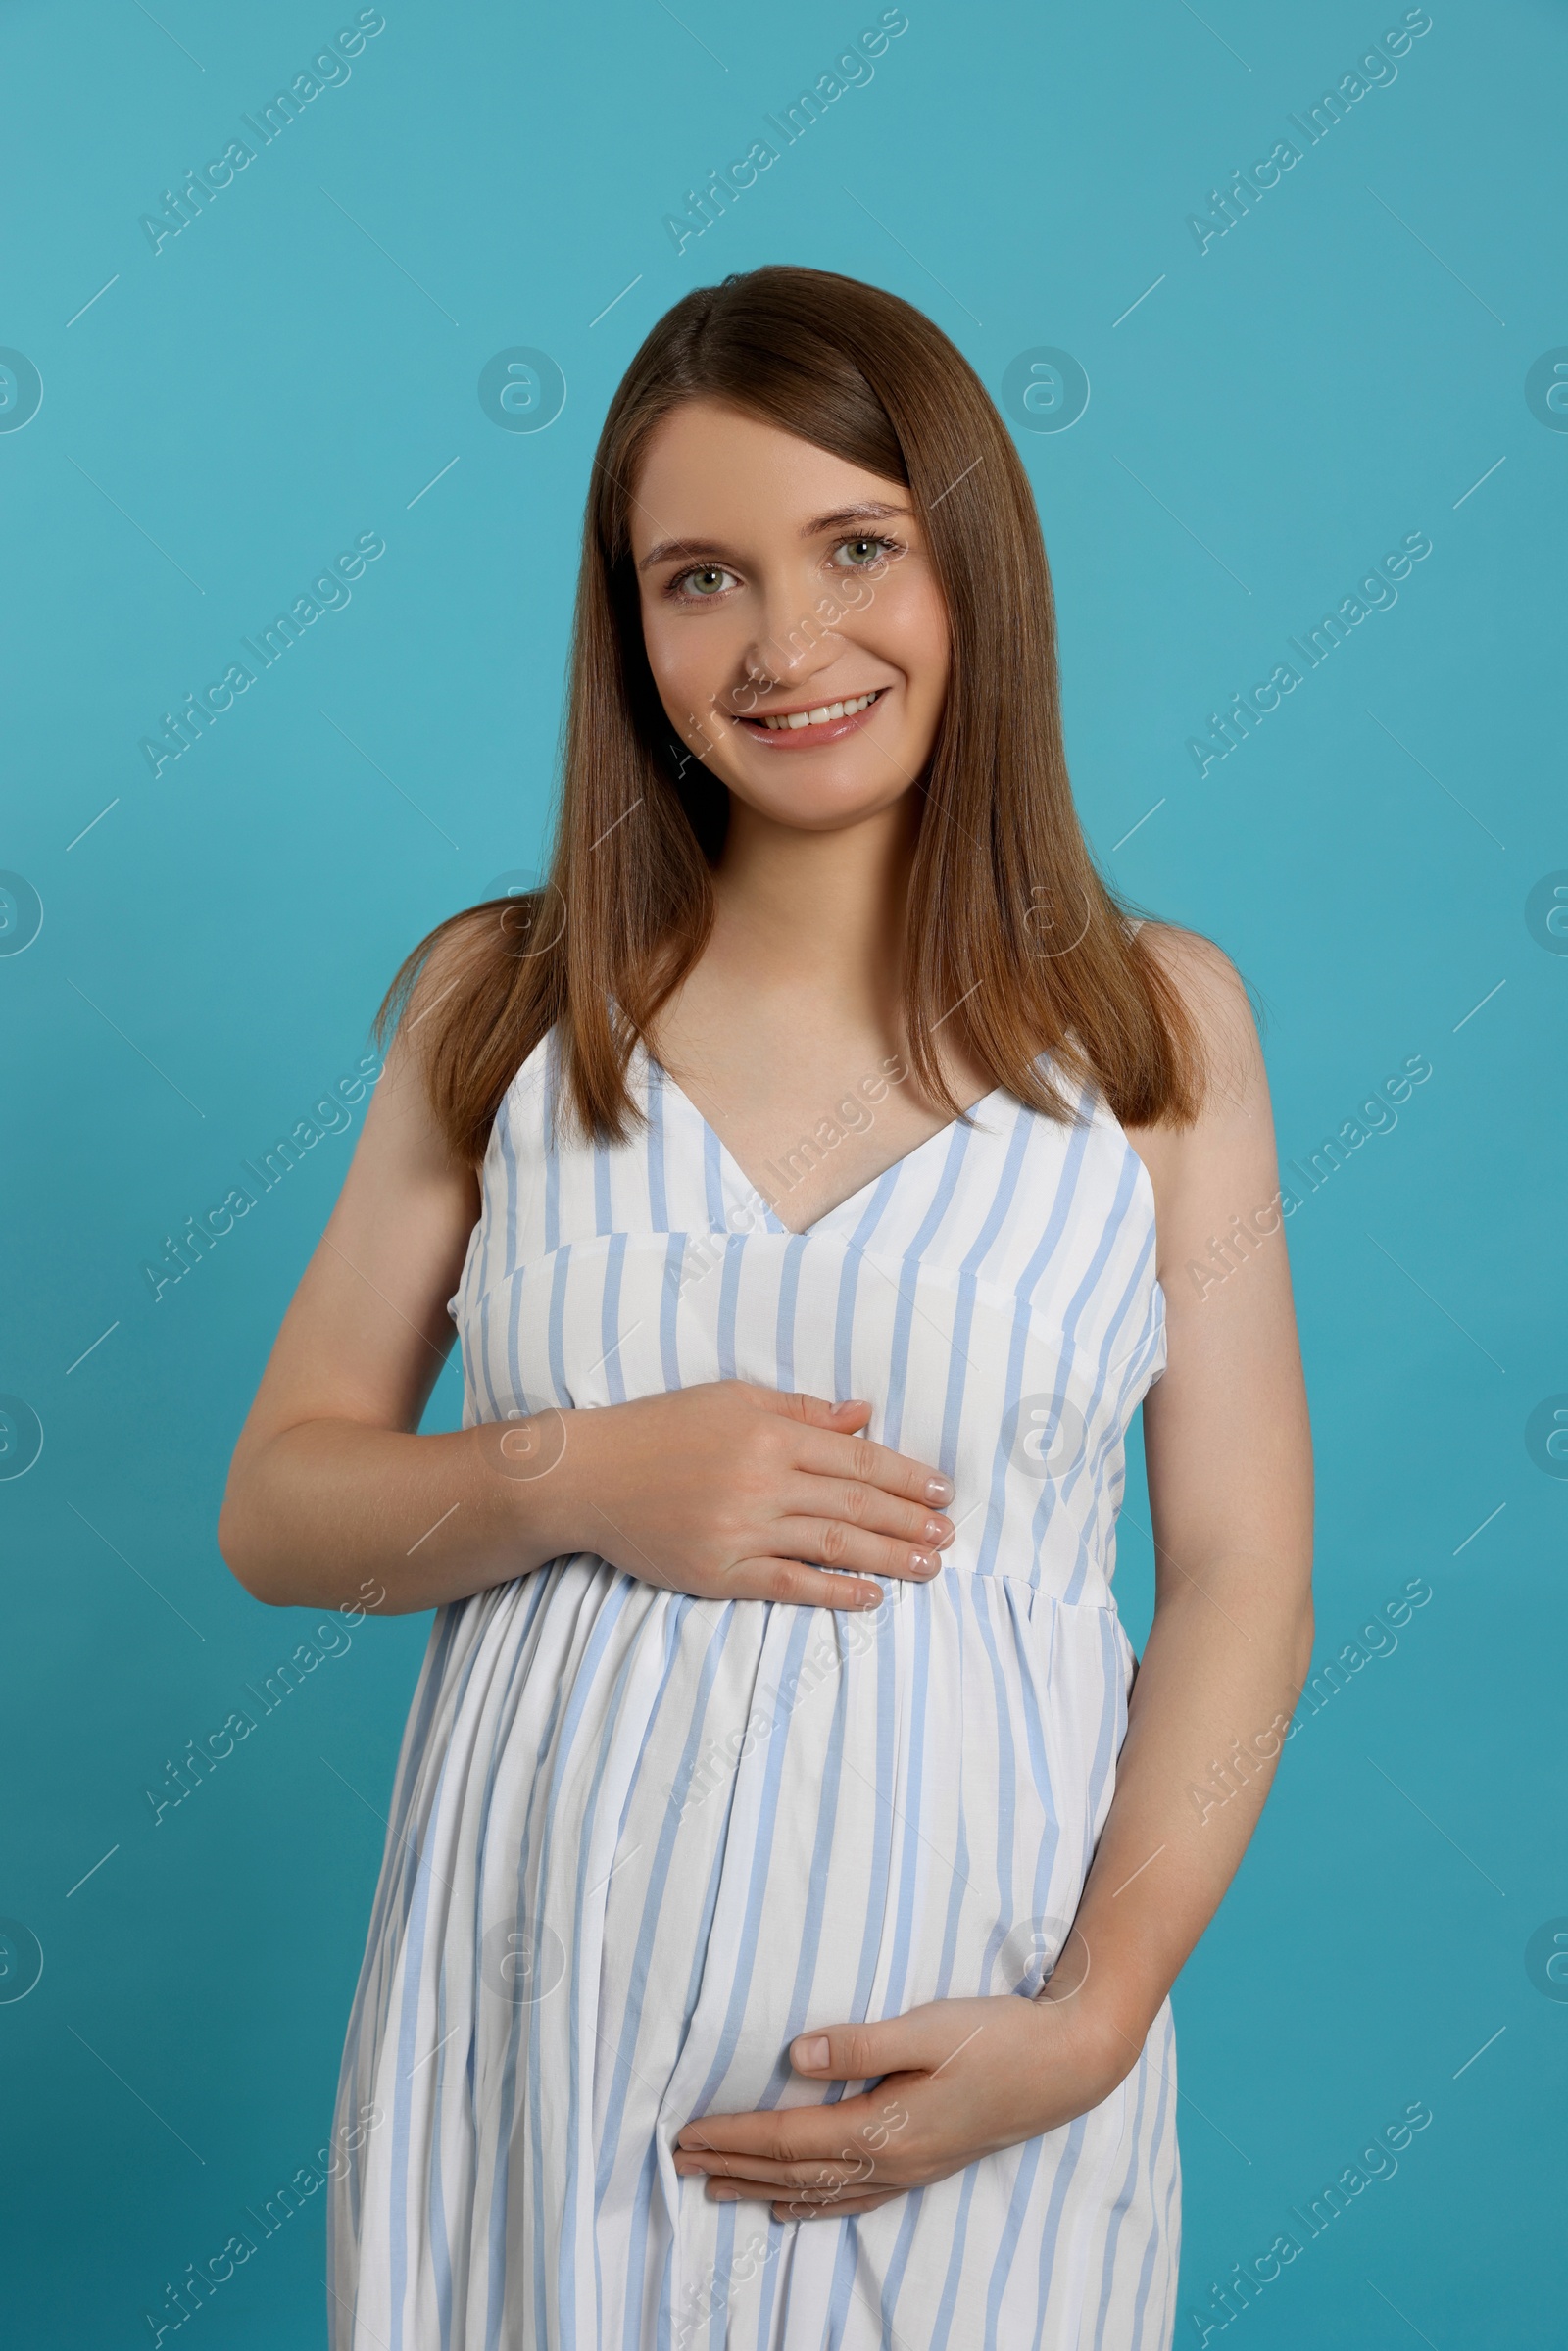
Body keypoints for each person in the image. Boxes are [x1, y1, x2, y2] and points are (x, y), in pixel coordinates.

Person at [220, 264, 1313, 2350]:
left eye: (857, 549)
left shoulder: (1153, 1029)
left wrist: (1089, 2020)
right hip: (525, 2063)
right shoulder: (505, 1006)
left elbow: (1244, 1570)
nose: (787, 643)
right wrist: (575, 1472)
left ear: (970, 567)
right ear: (624, 629)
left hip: (965, 2059)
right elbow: (277, 1508)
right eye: (698, 577)